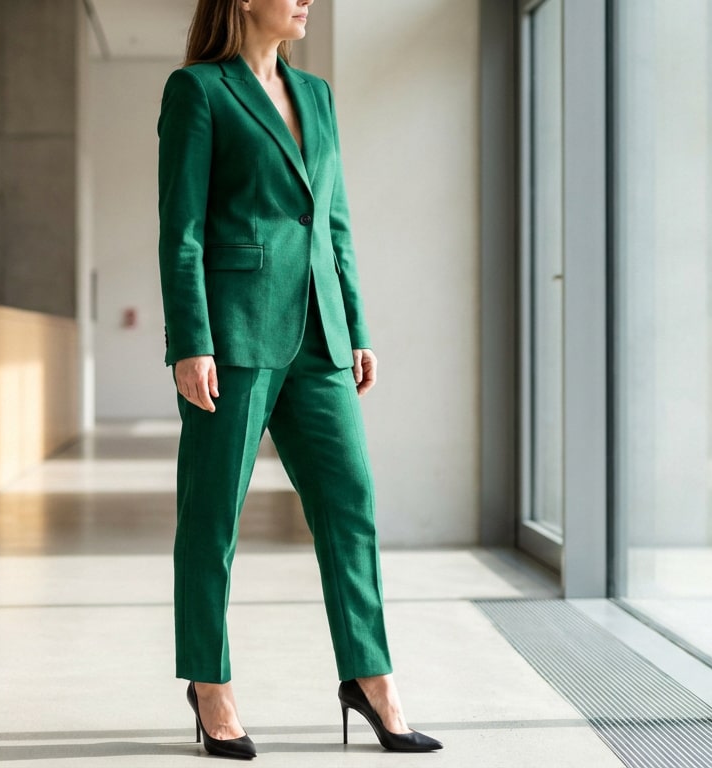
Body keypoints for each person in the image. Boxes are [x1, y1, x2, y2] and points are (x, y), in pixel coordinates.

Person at [158, 0, 443, 760]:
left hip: (320, 334)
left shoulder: (315, 95)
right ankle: (209, 684)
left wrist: (356, 326)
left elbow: (334, 221)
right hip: (236, 333)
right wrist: (192, 339)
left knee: (351, 504)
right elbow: (181, 227)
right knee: (213, 515)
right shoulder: (199, 91)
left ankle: (371, 677)